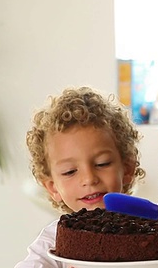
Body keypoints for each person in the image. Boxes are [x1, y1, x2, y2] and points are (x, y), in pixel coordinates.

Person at [15, 86, 146, 267]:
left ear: (128, 169)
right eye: (70, 171)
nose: (89, 178)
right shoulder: (53, 242)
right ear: (53, 187)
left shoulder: (149, 231)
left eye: (102, 164)